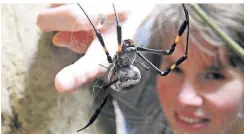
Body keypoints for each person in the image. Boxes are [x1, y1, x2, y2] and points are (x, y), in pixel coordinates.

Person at [37, 3, 244, 134]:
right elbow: (132, 25)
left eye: (214, 75)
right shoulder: (148, 84)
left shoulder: (151, 94)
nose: (185, 98)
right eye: (177, 70)